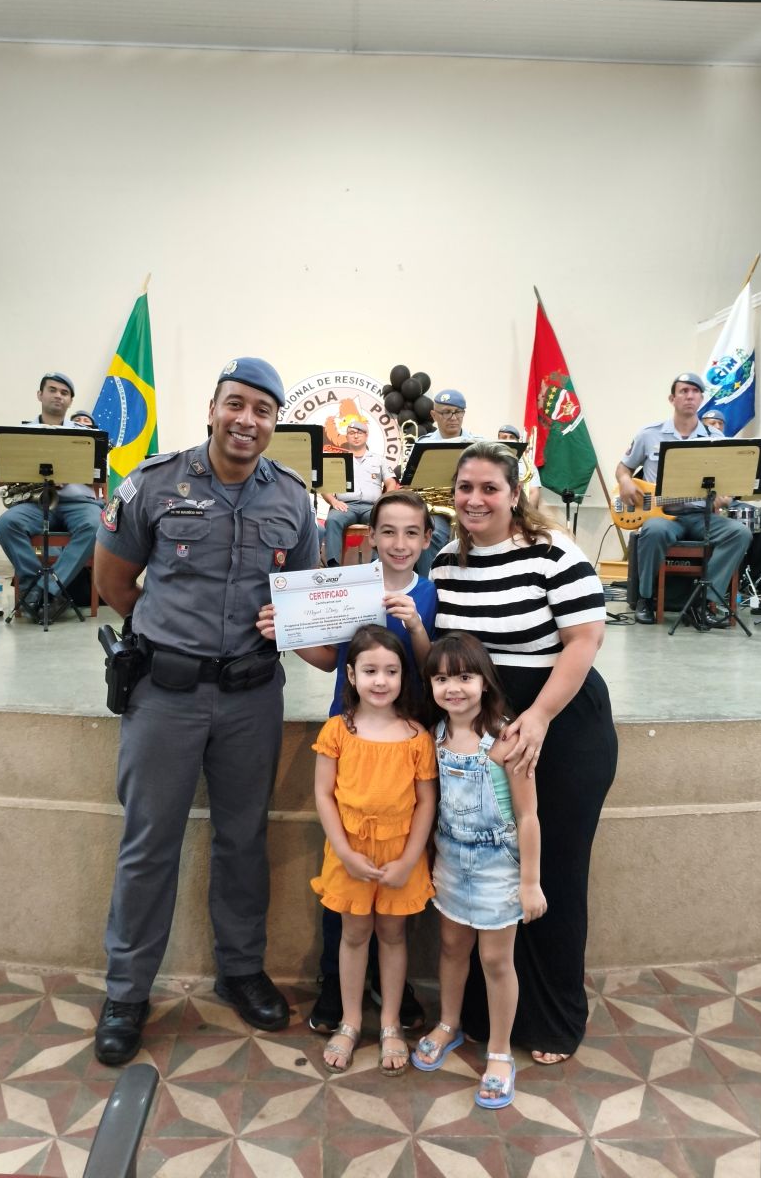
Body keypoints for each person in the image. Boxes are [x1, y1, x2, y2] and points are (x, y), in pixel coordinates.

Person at [92, 357, 319, 1066]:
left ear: (275, 423)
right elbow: (114, 581)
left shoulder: (293, 498)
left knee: (243, 840)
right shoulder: (154, 484)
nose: (247, 420)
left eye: (263, 410)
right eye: (236, 404)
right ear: (213, 408)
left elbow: (304, 593)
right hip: (166, 696)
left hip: (252, 696)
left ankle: (241, 970)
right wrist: (174, 636)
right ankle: (127, 991)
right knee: (148, 843)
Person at [431, 440, 617, 1065]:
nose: (475, 499)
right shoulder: (447, 563)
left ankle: (554, 1020)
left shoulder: (552, 551)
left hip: (560, 728)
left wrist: (538, 717)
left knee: (552, 873)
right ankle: (487, 1015)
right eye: (465, 487)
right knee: (491, 874)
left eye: (490, 488)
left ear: (515, 495)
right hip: (492, 731)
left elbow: (585, 638)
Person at [257, 490, 437, 1034]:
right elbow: (330, 658)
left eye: (411, 533)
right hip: (353, 738)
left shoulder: (431, 592)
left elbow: (436, 669)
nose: (399, 543)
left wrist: (417, 627)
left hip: (407, 741)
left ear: (427, 540)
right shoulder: (352, 587)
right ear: (370, 537)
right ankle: (336, 983)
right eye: (389, 532)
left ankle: (391, 983)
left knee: (401, 874)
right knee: (345, 876)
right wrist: (287, 633)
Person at [412, 632, 546, 1109]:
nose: (454, 688)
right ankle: (448, 1022)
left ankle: (500, 1051)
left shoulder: (507, 740)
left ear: (484, 682)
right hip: (451, 861)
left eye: (465, 677)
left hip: (497, 869)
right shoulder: (435, 736)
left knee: (495, 960)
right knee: (451, 946)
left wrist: (530, 882)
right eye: (442, 679)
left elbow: (528, 816)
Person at [310, 624, 438, 1075]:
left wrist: (409, 859)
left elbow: (426, 803)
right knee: (353, 934)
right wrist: (345, 853)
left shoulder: (417, 737)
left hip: (400, 855)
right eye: (370, 671)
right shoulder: (337, 731)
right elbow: (323, 794)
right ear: (351, 675)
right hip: (350, 854)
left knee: (393, 935)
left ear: (404, 676)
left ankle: (389, 1024)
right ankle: (349, 1021)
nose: (380, 681)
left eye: (391, 671)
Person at [616, 373, 751, 627]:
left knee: (740, 533)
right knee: (653, 531)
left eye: (695, 392)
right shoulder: (649, 434)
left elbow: (728, 484)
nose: (690, 396)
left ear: (701, 398)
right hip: (663, 515)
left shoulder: (716, 438)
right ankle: (645, 599)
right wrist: (625, 481)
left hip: (702, 515)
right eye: (684, 391)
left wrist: (725, 497)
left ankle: (703, 602)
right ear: (672, 398)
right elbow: (624, 467)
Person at [0, 372, 104, 622]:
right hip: (37, 503)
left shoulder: (86, 434)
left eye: (64, 393)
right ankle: (38, 589)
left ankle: (46, 591)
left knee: (95, 525)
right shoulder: (19, 434)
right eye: (52, 390)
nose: (58, 396)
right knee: (6, 524)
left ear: (70, 401)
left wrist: (69, 471)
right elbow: (0, 479)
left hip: (78, 503)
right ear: (39, 395)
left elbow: (98, 478)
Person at [416, 389, 479, 577]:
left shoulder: (478, 444)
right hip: (436, 508)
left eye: (458, 412)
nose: (453, 417)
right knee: (430, 533)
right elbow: (414, 482)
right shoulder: (423, 445)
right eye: (446, 412)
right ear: (434, 415)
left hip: (471, 505)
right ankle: (431, 582)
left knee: (482, 535)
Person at [322, 416, 396, 566]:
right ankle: (333, 566)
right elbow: (324, 486)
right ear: (346, 437)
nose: (356, 436)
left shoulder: (378, 459)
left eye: (360, 433)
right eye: (352, 433)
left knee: (381, 519)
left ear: (366, 436)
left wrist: (383, 502)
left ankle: (376, 564)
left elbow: (391, 483)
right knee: (333, 520)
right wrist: (333, 501)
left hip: (372, 507)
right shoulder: (338, 459)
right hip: (345, 507)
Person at [497, 424, 542, 509]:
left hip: (520, 509)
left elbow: (533, 492)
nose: (508, 441)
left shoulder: (528, 464)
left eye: (512, 437)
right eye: (504, 437)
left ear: (518, 441)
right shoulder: (490, 460)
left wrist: (528, 514)